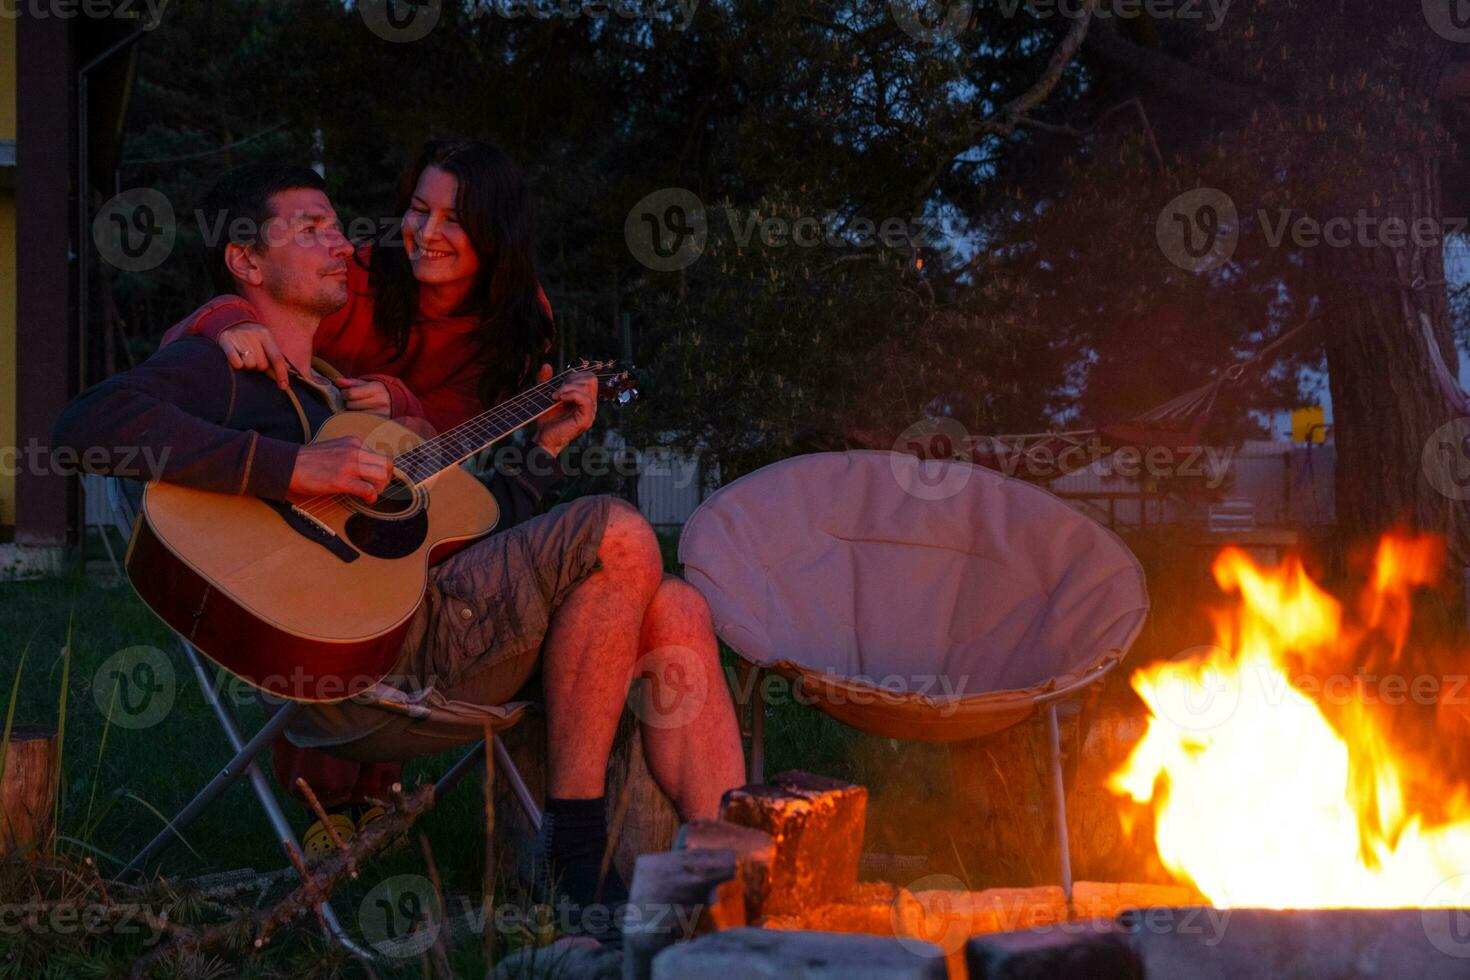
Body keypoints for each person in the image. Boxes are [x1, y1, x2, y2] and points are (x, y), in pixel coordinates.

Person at [54, 163, 746, 914]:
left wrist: (542, 450)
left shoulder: (334, 395)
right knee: (617, 528)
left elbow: (474, 533)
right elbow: (88, 423)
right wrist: (292, 470)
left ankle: (735, 884)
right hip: (352, 666)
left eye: (338, 227)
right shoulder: (228, 366)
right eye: (310, 228)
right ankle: (575, 854)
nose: (342, 245)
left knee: (677, 605)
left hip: (439, 633)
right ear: (246, 262)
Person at [160, 138, 572, 853]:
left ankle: (376, 794)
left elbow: (471, 422)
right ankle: (329, 799)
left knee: (405, 552)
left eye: (456, 219)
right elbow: (259, 300)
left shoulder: (518, 323)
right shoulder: (357, 275)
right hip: (308, 484)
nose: (426, 232)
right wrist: (228, 321)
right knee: (335, 572)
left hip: (419, 488)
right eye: (418, 209)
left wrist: (407, 402)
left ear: (495, 236)